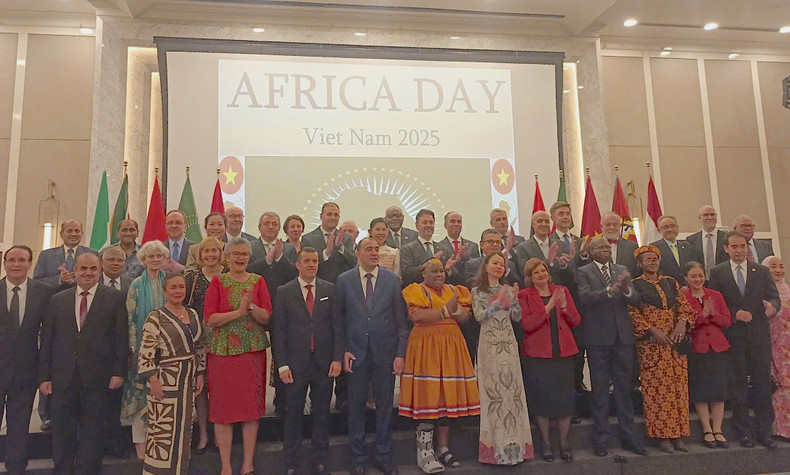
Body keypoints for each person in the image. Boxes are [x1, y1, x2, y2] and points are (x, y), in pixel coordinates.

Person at [38, 253, 127, 474]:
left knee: (93, 434)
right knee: (62, 433)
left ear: (100, 271)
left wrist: (118, 372)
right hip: (63, 379)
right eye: (83, 268)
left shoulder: (114, 298)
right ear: (75, 271)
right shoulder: (57, 300)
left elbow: (120, 338)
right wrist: (44, 377)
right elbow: (47, 341)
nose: (88, 273)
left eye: (93, 269)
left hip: (98, 378)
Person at [335, 237, 409, 475]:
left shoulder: (391, 279)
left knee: (385, 407)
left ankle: (383, 455)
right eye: (368, 249)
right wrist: (342, 350)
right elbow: (339, 321)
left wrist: (400, 354)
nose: (374, 253)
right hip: (355, 354)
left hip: (385, 354)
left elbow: (401, 322)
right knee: (355, 407)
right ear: (357, 253)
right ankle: (357, 457)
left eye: (376, 249)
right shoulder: (344, 280)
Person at [399, 260, 479, 473]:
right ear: (422, 272)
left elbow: (465, 317)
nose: (439, 274)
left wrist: (455, 312)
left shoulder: (455, 290)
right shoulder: (416, 290)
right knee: (429, 396)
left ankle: (443, 447)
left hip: (452, 348)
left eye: (441, 270)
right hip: (426, 349)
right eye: (433, 270)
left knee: (447, 398)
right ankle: (424, 451)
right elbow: (417, 316)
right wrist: (446, 311)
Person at [204, 237, 272, 475]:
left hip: (251, 353)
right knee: (223, 412)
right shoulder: (218, 282)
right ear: (228, 256)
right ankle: (225, 466)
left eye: (244, 254)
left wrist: (251, 308)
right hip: (223, 354)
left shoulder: (258, 281)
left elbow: (266, 317)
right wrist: (238, 312)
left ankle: (247, 464)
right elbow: (210, 319)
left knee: (250, 410)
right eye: (236, 254)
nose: (240, 258)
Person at [273, 247, 342, 475]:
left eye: (315, 261)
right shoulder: (285, 291)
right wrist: (282, 364)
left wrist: (337, 359)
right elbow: (279, 331)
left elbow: (337, 328)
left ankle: (320, 461)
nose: (312, 265)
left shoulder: (329, 289)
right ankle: (291, 463)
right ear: (298, 265)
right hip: (294, 365)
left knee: (321, 413)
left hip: (323, 363)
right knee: (293, 414)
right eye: (307, 261)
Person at [576, 237, 647, 457]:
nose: (606, 250)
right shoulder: (584, 272)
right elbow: (585, 298)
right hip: (598, 339)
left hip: (623, 338)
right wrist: (609, 290)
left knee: (625, 390)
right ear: (591, 251)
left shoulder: (622, 269)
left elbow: (636, 299)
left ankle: (629, 437)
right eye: (601, 248)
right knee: (600, 391)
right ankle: (601, 439)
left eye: (608, 247)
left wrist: (625, 290)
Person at [709, 232, 779, 449]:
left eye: (743, 246)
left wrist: (772, 307)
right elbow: (714, 304)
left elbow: (774, 296)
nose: (739, 250)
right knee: (738, 384)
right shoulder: (717, 272)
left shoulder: (762, 271)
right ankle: (743, 432)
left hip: (759, 336)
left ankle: (764, 432)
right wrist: (734, 314)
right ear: (726, 249)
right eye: (734, 246)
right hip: (734, 337)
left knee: (762, 383)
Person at [628, 244, 695, 453]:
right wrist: (652, 330)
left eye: (655, 258)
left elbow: (685, 307)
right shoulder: (634, 286)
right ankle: (662, 436)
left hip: (675, 343)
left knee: (678, 390)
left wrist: (682, 323)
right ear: (639, 263)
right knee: (656, 392)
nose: (652, 262)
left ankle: (679, 435)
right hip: (652, 345)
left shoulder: (671, 282)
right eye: (647, 259)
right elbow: (631, 313)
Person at [138, 272, 206, 474]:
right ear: (164, 291)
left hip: (188, 381)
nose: (178, 292)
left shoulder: (193, 314)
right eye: (173, 288)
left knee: (184, 432)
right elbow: (145, 353)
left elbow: (200, 345)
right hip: (165, 381)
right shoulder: (156, 317)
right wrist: (153, 380)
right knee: (162, 434)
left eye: (181, 287)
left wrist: (200, 372)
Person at [471, 252, 533, 465]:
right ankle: (495, 449)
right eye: (495, 263)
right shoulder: (478, 291)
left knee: (513, 394)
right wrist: (497, 302)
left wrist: (514, 301)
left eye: (502, 264)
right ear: (486, 266)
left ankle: (516, 448)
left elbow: (517, 317)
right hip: (489, 345)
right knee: (494, 394)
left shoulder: (507, 288)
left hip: (508, 343)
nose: (499, 266)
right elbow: (479, 317)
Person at [519, 258, 580, 462]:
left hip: (563, 353)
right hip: (538, 356)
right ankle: (545, 443)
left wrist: (562, 306)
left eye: (543, 270)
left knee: (564, 400)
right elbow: (527, 324)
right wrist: (548, 308)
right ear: (530, 277)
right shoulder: (525, 295)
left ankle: (564, 444)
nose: (541, 274)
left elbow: (576, 320)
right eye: (536, 272)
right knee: (542, 400)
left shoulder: (562, 290)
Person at [1, 246, 52, 474]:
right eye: (11, 260)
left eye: (22, 260)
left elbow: (49, 335)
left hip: (26, 372)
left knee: (19, 427)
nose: (16, 264)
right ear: (4, 264)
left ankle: (16, 469)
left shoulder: (43, 292)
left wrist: (44, 373)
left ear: (30, 263)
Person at [248, 213, 298, 418]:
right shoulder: (250, 246)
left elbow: (295, 274)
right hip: (255, 310)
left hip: (281, 309)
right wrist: (267, 260)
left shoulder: (288, 248)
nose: (270, 227)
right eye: (266, 224)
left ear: (279, 228)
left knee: (281, 355)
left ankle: (281, 399)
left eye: (274, 224)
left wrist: (279, 258)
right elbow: (248, 271)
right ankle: (252, 399)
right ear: (259, 227)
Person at [123, 240, 169, 459]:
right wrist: (136, 349)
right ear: (144, 259)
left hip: (168, 351)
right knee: (142, 400)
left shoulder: (169, 282)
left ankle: (160, 448)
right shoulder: (135, 285)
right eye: (151, 256)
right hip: (141, 350)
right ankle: (142, 453)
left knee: (163, 399)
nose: (155, 260)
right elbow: (130, 319)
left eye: (159, 256)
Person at [681, 262, 732, 449]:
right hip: (697, 347)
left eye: (700, 275)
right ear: (686, 278)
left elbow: (727, 320)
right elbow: (683, 325)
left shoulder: (715, 295)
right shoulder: (683, 296)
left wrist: (712, 315)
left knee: (719, 390)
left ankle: (718, 429)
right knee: (701, 390)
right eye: (693, 276)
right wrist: (702, 315)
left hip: (718, 347)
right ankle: (706, 429)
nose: (697, 279)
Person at [184, 236, 226, 453]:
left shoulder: (228, 277)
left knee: (220, 389)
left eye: (214, 251)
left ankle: (220, 433)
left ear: (221, 253)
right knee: (200, 389)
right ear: (200, 255)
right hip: (199, 342)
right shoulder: (192, 278)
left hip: (225, 340)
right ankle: (203, 433)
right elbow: (184, 308)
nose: (210, 255)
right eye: (206, 251)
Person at [99, 245, 132, 458]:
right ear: (102, 262)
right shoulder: (91, 283)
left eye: (120, 260)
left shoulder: (132, 285)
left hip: (124, 350)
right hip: (97, 351)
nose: (115, 264)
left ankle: (115, 443)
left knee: (117, 401)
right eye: (111, 260)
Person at [400, 209, 462, 287]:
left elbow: (453, 278)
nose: (428, 225)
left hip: (440, 296)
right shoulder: (407, 249)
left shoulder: (443, 249)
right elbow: (407, 274)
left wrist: (447, 269)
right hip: (418, 294)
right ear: (417, 225)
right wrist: (430, 262)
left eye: (431, 222)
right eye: (424, 222)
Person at [764, 256, 790, 439]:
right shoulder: (763, 294)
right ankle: (781, 429)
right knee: (779, 386)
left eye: (781, 266)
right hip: (772, 346)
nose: (779, 270)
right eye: (773, 267)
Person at [301, 202, 358, 283]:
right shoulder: (308, 239)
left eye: (336, 215)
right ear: (321, 216)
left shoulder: (346, 238)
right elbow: (306, 265)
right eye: (329, 214)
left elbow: (353, 262)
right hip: (319, 286)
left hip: (342, 286)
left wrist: (340, 247)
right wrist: (326, 253)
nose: (333, 218)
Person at [33, 219, 98, 288]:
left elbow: (98, 279)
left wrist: (76, 280)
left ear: (82, 234)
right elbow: (36, 282)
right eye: (69, 231)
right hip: (53, 296)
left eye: (77, 231)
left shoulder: (92, 254)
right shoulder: (46, 255)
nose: (73, 234)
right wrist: (59, 279)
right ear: (61, 234)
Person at [650, 215, 695, 285]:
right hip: (666, 288)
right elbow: (654, 271)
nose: (670, 229)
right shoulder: (653, 248)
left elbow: (693, 267)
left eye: (672, 226)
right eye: (665, 227)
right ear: (659, 230)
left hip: (688, 288)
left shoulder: (687, 246)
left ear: (677, 227)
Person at [686, 205, 728, 273]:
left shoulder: (726, 238)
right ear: (699, 218)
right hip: (700, 281)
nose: (710, 217)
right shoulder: (691, 240)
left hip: (723, 279)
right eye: (706, 215)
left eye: (712, 214)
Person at [600, 211, 638, 276]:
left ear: (620, 226)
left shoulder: (633, 247)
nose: (612, 228)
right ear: (601, 226)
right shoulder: (592, 247)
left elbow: (636, 271)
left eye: (615, 224)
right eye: (608, 225)